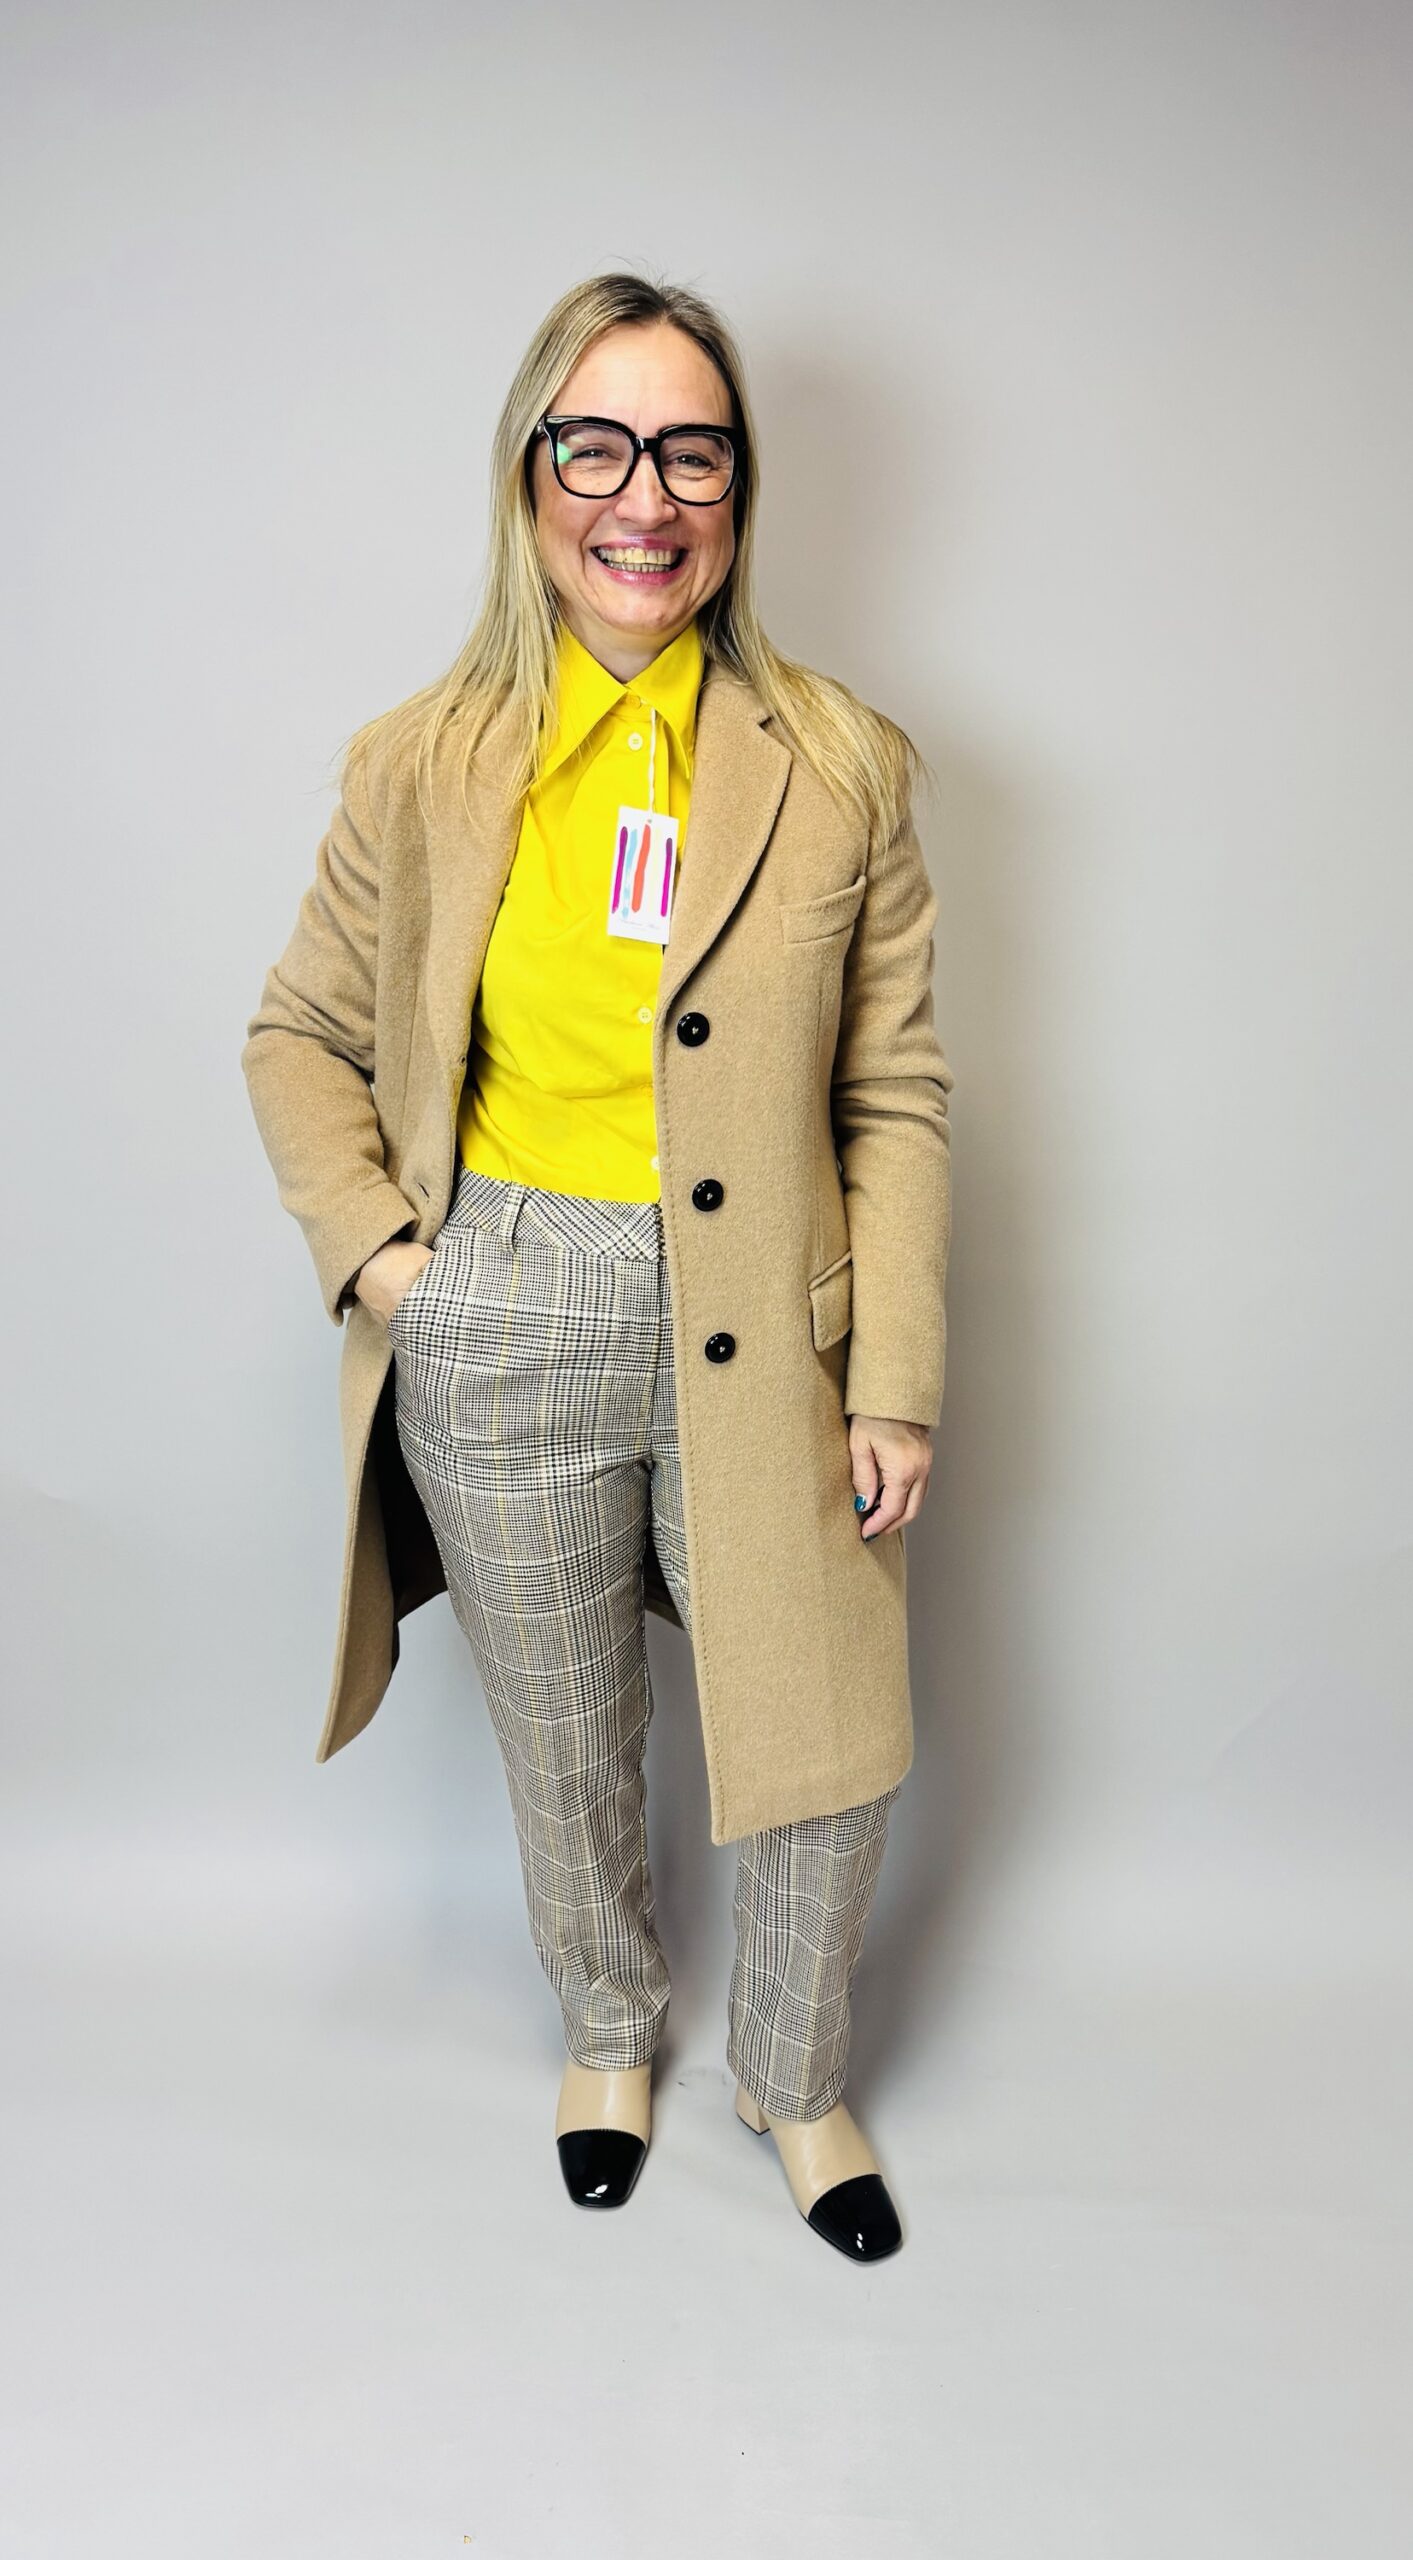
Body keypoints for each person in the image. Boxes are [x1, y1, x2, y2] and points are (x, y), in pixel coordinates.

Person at [241, 269, 955, 2265]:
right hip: (504, 1299)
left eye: (690, 453)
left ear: (737, 490)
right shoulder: (417, 761)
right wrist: (392, 1266)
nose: (644, 497)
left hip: (772, 1324)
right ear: (530, 474)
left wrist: (893, 1378)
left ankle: (795, 2076)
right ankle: (610, 2032)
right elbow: (294, 1033)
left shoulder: (840, 762)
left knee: (821, 1743)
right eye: (598, 445)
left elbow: (893, 1091)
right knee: (565, 1737)